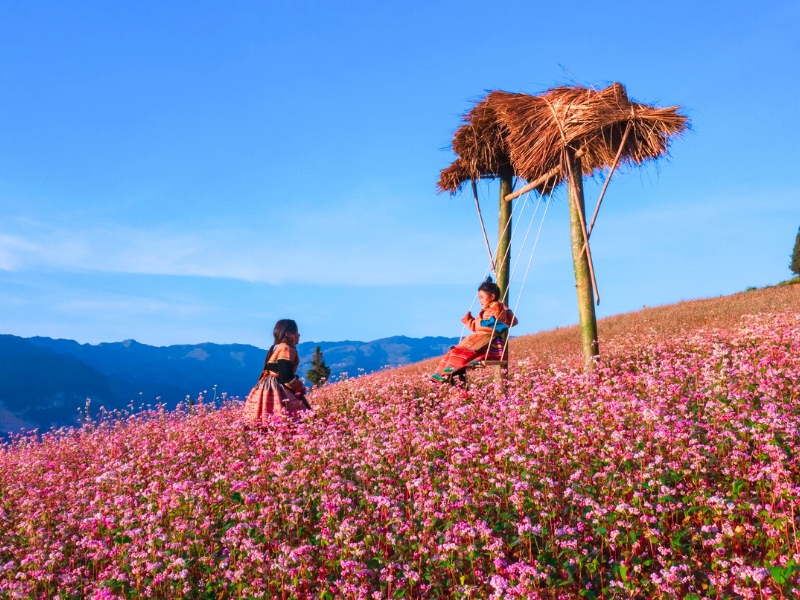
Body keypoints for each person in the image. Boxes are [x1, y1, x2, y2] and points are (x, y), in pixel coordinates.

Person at [431, 277, 518, 382]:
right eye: (479, 298)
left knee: (464, 353)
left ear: (492, 296)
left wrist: (502, 308)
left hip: (487, 340)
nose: (480, 301)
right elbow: (478, 326)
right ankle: (444, 374)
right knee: (453, 351)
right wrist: (469, 320)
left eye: (482, 297)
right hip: (478, 338)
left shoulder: (497, 308)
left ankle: (453, 374)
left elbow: (499, 321)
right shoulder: (484, 312)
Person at [243, 319, 310, 426]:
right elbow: (285, 375)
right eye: (296, 332)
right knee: (299, 416)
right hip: (277, 386)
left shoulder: (276, 347)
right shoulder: (286, 349)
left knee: (264, 420)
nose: (299, 335)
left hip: (265, 385)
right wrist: (298, 388)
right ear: (288, 334)